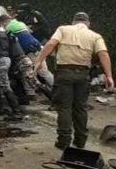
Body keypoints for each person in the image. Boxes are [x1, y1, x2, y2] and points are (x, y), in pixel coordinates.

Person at [35, 12, 113, 150]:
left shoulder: (63, 29)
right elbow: (103, 54)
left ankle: (64, 141)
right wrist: (109, 76)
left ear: (73, 22)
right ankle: (80, 141)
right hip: (83, 74)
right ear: (88, 24)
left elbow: (51, 43)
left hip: (64, 73)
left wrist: (39, 61)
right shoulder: (95, 36)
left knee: (64, 107)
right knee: (80, 108)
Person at [0, 15, 53, 101]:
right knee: (26, 72)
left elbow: (0, 35)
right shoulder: (20, 23)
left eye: (2, 24)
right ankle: (30, 93)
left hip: (32, 51)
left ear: (5, 22)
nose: (2, 25)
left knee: (42, 72)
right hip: (35, 49)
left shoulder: (10, 26)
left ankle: (55, 90)